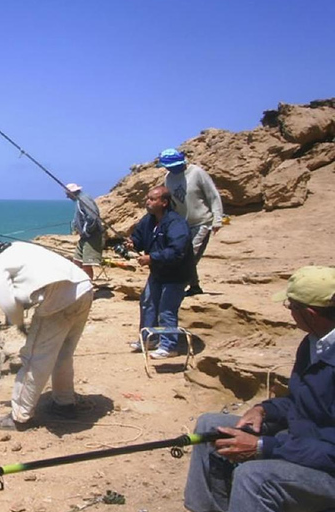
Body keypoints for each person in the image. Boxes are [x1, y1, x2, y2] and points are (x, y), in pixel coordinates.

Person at [184, 265, 335, 512]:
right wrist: (263, 410)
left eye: (291, 307)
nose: (289, 313)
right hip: (303, 443)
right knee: (210, 426)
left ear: (310, 313)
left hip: (326, 469)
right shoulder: (313, 343)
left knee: (253, 477)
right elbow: (301, 402)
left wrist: (263, 447)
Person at [0, 232, 93, 431]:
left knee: (33, 359)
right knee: (63, 353)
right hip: (83, 289)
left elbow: (8, 304)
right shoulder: (19, 247)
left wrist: (20, 325)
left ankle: (19, 417)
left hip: (59, 301)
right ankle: (64, 403)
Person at [124, 186, 193, 359]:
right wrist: (133, 243)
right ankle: (149, 339)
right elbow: (139, 239)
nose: (148, 202)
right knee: (148, 303)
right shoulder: (148, 220)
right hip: (157, 272)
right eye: (148, 198)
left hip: (176, 274)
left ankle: (169, 346)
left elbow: (177, 251)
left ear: (164, 202)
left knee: (166, 309)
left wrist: (152, 258)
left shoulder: (176, 223)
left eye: (153, 199)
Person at [159, 148, 224, 297]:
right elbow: (171, 202)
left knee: (189, 256)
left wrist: (217, 219)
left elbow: (213, 196)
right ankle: (194, 286)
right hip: (182, 224)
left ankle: (178, 286)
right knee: (182, 254)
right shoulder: (169, 177)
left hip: (201, 222)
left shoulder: (197, 173)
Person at [65, 183, 104, 280]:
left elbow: (92, 217)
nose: (67, 196)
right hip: (84, 237)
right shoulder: (80, 200)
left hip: (91, 236)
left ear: (72, 192)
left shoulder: (84, 199)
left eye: (68, 194)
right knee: (77, 261)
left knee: (86, 265)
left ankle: (88, 286)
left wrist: (86, 231)